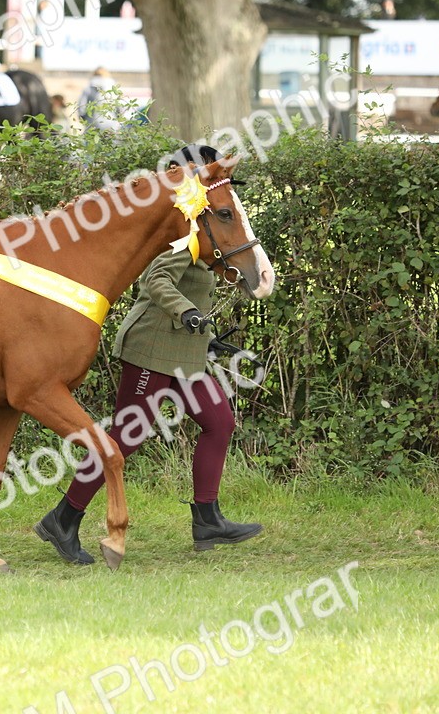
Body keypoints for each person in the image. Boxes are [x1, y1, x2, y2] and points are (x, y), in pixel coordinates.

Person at [34, 143, 264, 564]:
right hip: (152, 348)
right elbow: (157, 282)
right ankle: (62, 519)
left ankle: (207, 519)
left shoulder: (202, 225)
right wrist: (189, 314)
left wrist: (201, 332)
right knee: (129, 435)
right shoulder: (178, 232)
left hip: (185, 352)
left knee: (219, 422)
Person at [76, 67, 124, 133]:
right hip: (111, 124)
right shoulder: (114, 88)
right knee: (110, 142)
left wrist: (83, 119)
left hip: (92, 123)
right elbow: (119, 107)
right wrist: (119, 119)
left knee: (92, 142)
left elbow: (81, 107)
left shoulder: (88, 88)